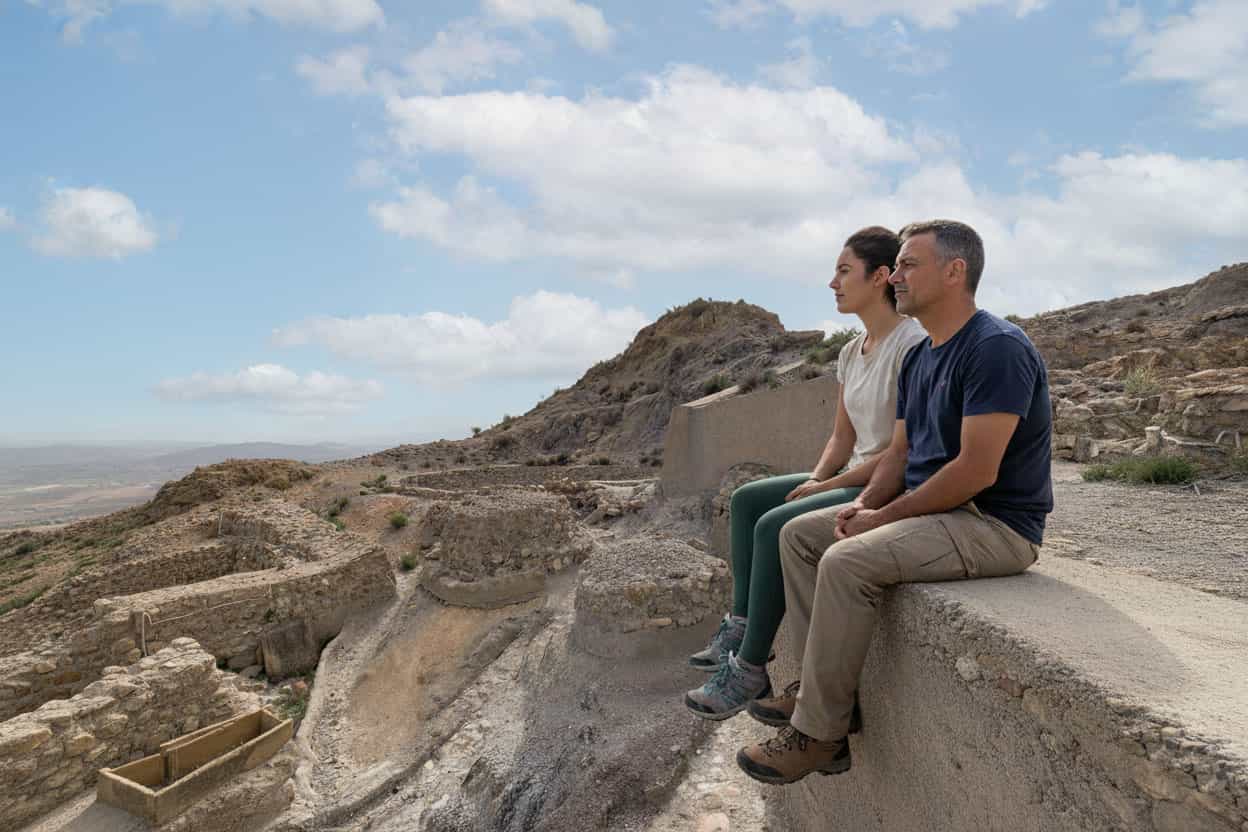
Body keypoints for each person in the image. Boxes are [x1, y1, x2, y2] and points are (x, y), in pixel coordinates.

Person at [735, 219, 1053, 784]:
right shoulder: (922, 355)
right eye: (896, 265)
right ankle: (818, 697)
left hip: (993, 524)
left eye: (909, 265)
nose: (896, 276)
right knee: (799, 535)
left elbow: (976, 471)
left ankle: (818, 735)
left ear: (954, 272)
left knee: (845, 561)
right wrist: (863, 505)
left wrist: (883, 517)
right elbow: (900, 454)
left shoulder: (996, 348)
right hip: (936, 512)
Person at [685, 226, 927, 720]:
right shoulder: (851, 350)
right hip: (852, 472)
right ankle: (739, 625)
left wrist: (829, 486)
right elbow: (841, 437)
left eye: (844, 271)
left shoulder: (912, 345)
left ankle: (749, 668)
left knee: (774, 525)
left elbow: (902, 450)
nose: (833, 283)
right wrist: (814, 479)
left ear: (879, 277)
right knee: (749, 499)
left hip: (887, 482)